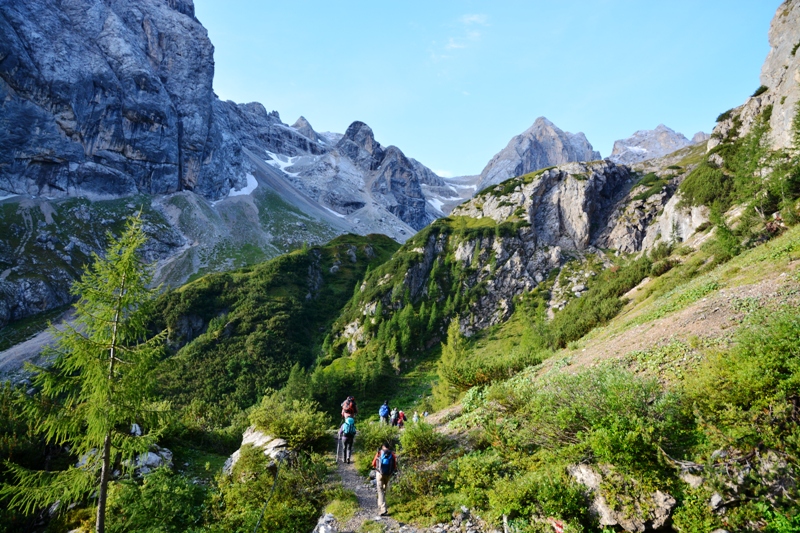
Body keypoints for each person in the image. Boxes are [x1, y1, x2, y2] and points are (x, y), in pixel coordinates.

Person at [371, 443, 398, 515]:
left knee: (380, 490)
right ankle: (382, 505)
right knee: (384, 490)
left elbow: (373, 463)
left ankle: (383, 509)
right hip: (388, 475)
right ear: (388, 447)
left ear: (383, 447)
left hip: (379, 474)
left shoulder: (379, 453)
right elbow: (395, 466)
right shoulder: (392, 454)